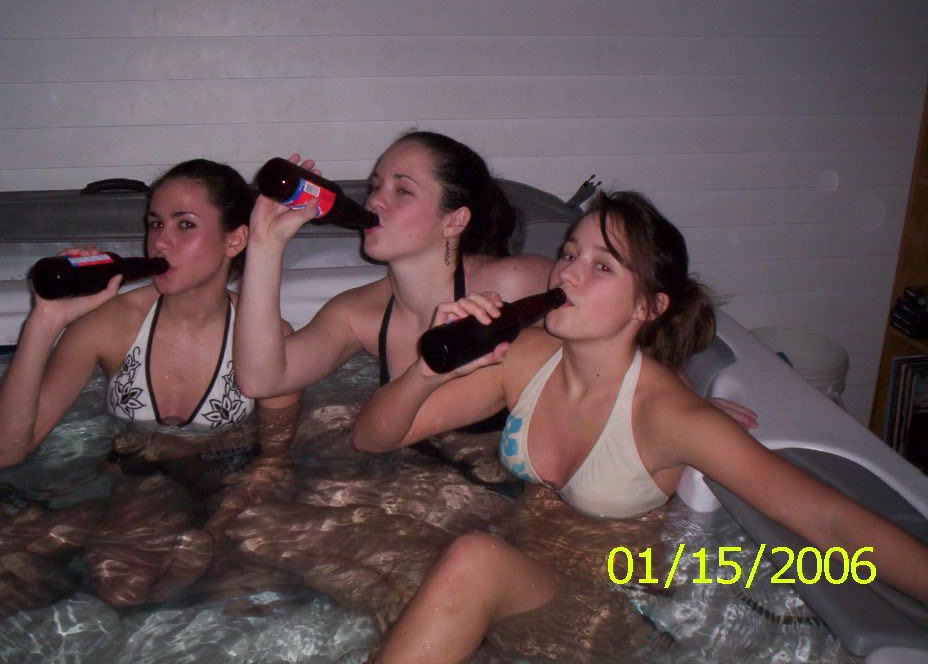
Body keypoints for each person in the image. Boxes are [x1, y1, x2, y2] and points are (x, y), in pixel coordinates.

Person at [351, 189, 928, 663]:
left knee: (471, 560)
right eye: (570, 253)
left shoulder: (669, 416)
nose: (569, 272)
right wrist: (427, 372)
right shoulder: (526, 356)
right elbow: (373, 437)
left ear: (647, 307)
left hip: (599, 620)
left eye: (601, 266)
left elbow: (828, 519)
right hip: (519, 584)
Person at [0, 158, 301, 606]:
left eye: (185, 224)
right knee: (111, 584)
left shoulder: (269, 339)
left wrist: (217, 529)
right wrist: (44, 321)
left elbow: (276, 461)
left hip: (231, 485)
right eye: (155, 224)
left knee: (261, 587)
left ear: (235, 240)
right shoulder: (111, 325)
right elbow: (7, 452)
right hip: (136, 481)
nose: (161, 241)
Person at [236, 130, 554, 439]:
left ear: (454, 220)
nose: (374, 201)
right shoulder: (358, 313)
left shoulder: (513, 282)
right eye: (375, 186)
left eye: (402, 190)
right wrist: (265, 244)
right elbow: (262, 381)